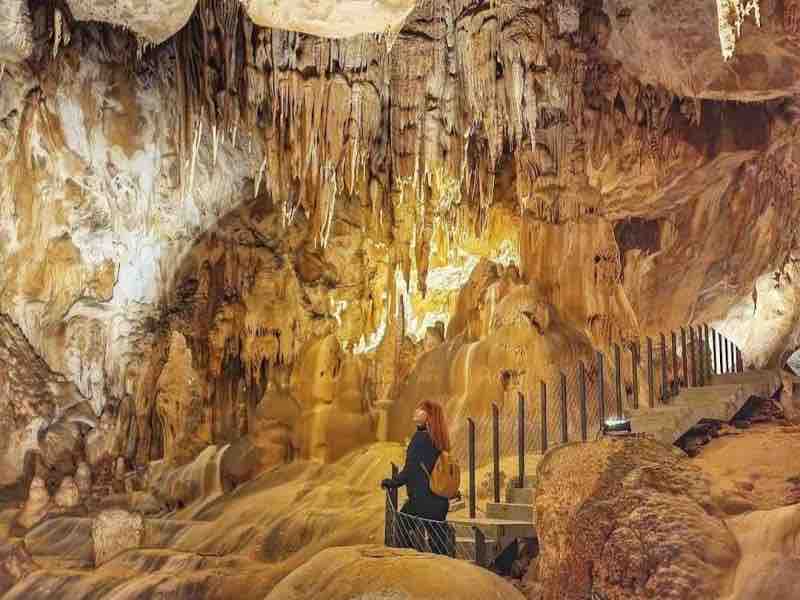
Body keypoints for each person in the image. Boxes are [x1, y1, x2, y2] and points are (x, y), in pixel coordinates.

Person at [381, 400, 455, 556]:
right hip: (439, 501)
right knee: (439, 546)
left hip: (421, 500)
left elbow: (410, 470)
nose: (416, 411)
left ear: (429, 416)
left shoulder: (420, 438)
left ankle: (413, 562)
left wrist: (392, 482)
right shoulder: (438, 439)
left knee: (401, 529)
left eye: (421, 409)